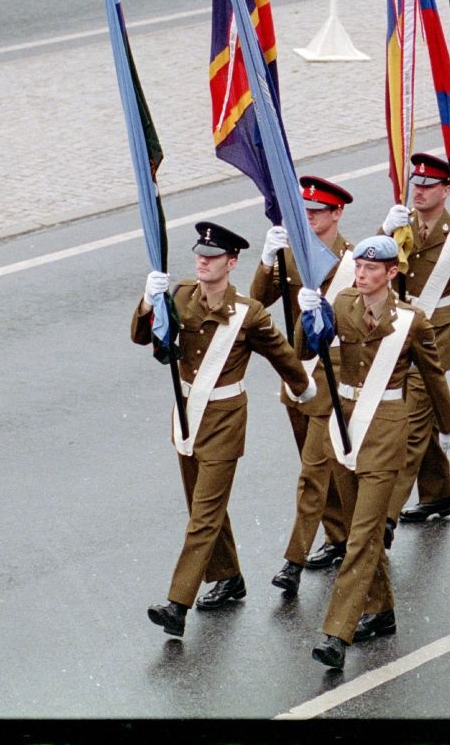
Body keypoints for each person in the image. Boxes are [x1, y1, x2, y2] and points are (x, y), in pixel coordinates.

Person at [137, 222, 315, 638]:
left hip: (223, 420)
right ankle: (229, 577)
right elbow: (142, 336)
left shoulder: (247, 313)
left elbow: (282, 355)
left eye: (213, 257)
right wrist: (148, 303)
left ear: (232, 263)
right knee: (203, 506)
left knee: (203, 515)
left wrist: (305, 391)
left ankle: (177, 604)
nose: (203, 260)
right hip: (187, 416)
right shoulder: (180, 295)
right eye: (200, 253)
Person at [307, 235, 450, 670]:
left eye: (373, 269)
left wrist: (449, 426)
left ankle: (337, 632)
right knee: (362, 528)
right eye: (359, 267)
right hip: (344, 426)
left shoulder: (412, 321)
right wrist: (307, 313)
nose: (362, 274)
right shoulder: (341, 304)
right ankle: (382, 610)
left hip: (386, 428)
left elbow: (433, 376)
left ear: (392, 273)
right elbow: (306, 348)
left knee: (361, 536)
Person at [252, 176, 355, 593]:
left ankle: (292, 561)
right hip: (299, 375)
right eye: (305, 212)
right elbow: (258, 303)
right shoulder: (291, 255)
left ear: (337, 214)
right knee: (316, 466)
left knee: (313, 471)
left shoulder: (353, 261)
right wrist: (267, 260)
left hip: (333, 378)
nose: (308, 219)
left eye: (317, 213)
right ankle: (340, 536)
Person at [380, 153, 450, 526]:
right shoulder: (403, 226)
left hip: (434, 331)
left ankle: (384, 517)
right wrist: (384, 233)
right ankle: (437, 494)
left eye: (429, 186)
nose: (419, 191)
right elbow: (373, 267)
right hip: (398, 327)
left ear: (447, 190)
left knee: (411, 422)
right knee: (423, 412)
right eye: (417, 184)